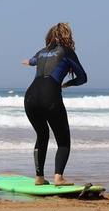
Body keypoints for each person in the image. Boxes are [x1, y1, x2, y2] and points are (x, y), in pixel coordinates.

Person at [21, 22, 87, 186]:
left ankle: (39, 177)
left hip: (30, 97)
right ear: (67, 36)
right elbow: (83, 78)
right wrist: (68, 84)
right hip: (50, 96)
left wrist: (28, 62)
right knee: (63, 141)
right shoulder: (67, 52)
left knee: (42, 135)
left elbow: (31, 61)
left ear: (49, 36)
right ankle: (59, 177)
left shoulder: (42, 52)